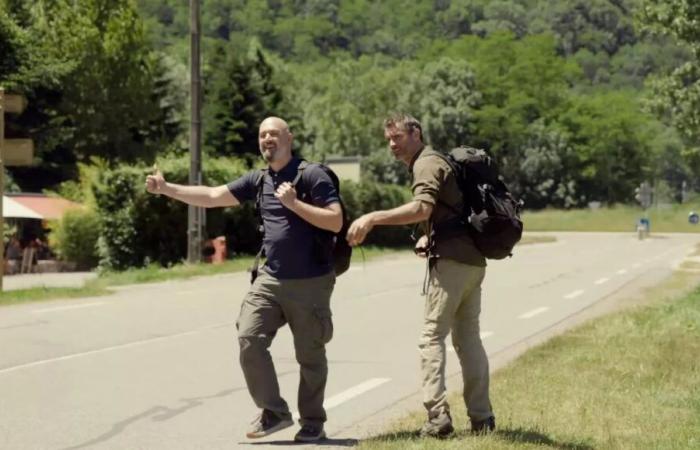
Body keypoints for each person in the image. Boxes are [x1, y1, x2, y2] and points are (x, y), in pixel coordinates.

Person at [145, 116, 342, 442]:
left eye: (274, 134)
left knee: (310, 356)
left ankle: (312, 421)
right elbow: (211, 196)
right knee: (249, 337)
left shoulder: (313, 175)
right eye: (263, 134)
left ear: (288, 138)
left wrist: (294, 204)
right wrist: (167, 189)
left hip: (311, 281)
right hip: (271, 278)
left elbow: (335, 221)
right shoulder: (259, 180)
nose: (267, 139)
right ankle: (274, 412)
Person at [346, 113, 495, 437]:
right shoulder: (438, 161)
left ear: (416, 133)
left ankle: (438, 419)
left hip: (453, 264)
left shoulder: (425, 163)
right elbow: (447, 212)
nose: (391, 144)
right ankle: (482, 418)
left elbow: (422, 208)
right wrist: (429, 235)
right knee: (468, 340)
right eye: (388, 139)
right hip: (472, 261)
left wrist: (372, 217)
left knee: (431, 337)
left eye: (397, 137)